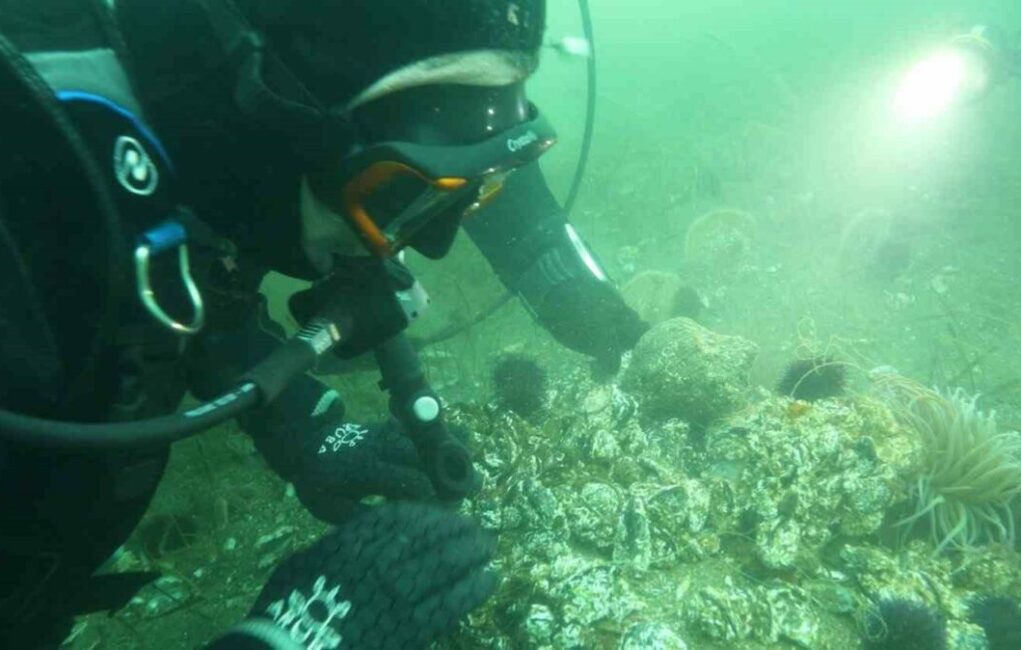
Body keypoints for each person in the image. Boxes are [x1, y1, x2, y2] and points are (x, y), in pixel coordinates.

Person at [0, 0, 647, 647]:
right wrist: (277, 641)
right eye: (398, 194)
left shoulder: (170, 122)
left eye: (463, 192)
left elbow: (171, 277)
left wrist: (304, 426)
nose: (430, 247)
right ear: (261, 119)